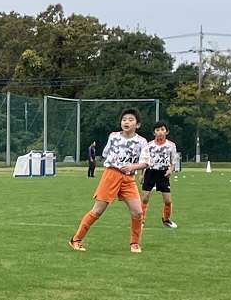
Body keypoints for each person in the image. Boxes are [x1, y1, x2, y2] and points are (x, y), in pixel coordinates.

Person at [68, 108, 149, 254]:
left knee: (138, 212)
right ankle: (76, 239)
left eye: (131, 120)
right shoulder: (113, 136)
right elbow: (106, 154)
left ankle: (135, 243)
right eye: (124, 119)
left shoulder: (142, 142)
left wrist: (133, 166)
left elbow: (146, 162)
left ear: (137, 125)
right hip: (111, 175)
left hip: (128, 179)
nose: (126, 122)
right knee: (97, 210)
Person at [141, 121, 177, 228]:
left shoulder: (171, 145)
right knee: (145, 198)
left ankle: (166, 220)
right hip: (150, 172)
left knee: (168, 200)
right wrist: (142, 174)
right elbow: (144, 161)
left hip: (163, 174)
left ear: (166, 131)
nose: (160, 132)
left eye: (162, 129)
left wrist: (170, 170)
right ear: (154, 133)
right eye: (157, 130)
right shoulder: (149, 145)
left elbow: (173, 161)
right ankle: (140, 221)